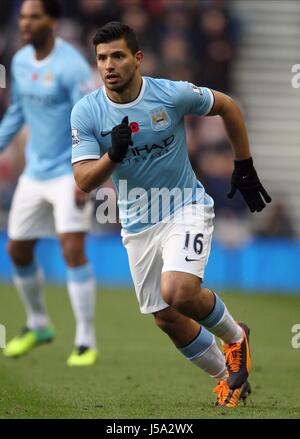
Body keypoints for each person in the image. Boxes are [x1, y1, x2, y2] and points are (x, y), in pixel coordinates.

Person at [71, 22, 271, 406]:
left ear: (138, 59)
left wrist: (243, 165)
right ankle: (228, 377)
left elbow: (228, 106)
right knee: (165, 317)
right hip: (136, 222)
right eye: (101, 58)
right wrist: (112, 154)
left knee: (178, 291)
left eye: (117, 56)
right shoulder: (87, 111)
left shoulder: (170, 94)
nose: (108, 65)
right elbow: (83, 180)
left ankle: (235, 337)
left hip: (185, 206)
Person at [0, 0, 98, 366]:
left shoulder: (72, 66)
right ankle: (38, 323)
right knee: (17, 250)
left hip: (67, 172)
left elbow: (90, 117)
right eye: (23, 16)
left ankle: (86, 339)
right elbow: (17, 111)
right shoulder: (20, 60)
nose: (25, 23)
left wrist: (85, 173)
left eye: (34, 16)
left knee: (71, 247)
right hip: (34, 173)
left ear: (52, 21)